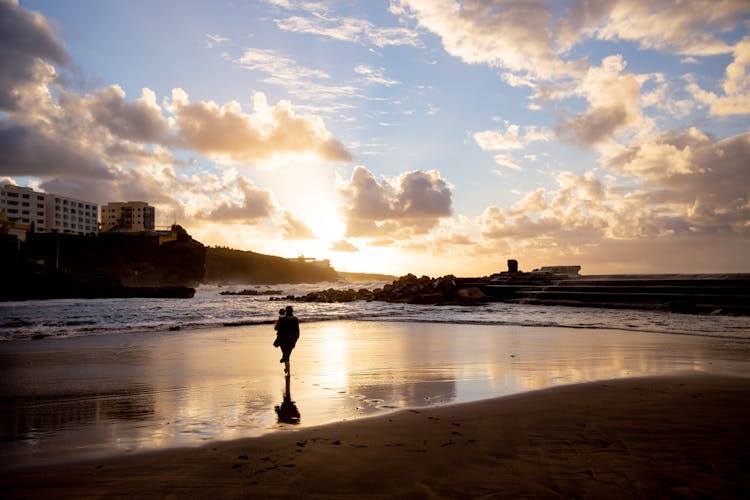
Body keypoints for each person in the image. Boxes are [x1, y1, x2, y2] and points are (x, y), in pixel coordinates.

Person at [274, 305, 299, 374]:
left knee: (285, 354)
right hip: (292, 340)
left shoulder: (282, 319)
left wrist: (278, 321)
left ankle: (288, 371)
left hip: (283, 340)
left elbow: (276, 328)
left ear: (286, 311)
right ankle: (287, 370)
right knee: (287, 354)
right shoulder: (295, 319)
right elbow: (297, 331)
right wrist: (295, 339)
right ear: (292, 311)